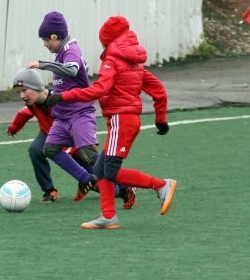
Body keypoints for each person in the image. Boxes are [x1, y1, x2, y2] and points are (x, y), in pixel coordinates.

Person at [47, 15, 177, 229]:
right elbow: (158, 90)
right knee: (100, 169)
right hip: (127, 120)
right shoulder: (135, 63)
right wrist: (160, 118)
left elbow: (99, 89)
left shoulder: (112, 61)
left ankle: (161, 185)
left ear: (107, 40)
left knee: (112, 172)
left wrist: (65, 96)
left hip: (120, 120)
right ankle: (108, 216)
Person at [7, 68, 137, 207]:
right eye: (18, 92)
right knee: (35, 149)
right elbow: (24, 113)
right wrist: (14, 127)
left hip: (74, 139)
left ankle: (125, 185)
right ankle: (49, 191)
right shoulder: (31, 103)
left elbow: (80, 114)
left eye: (24, 90)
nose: (21, 95)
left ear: (37, 87)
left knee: (108, 185)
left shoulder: (58, 98)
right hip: (50, 136)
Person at [25, 11, 103, 203]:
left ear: (54, 36)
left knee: (88, 155)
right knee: (49, 148)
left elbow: (72, 70)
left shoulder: (70, 49)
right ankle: (86, 179)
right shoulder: (62, 52)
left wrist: (43, 65)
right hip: (64, 116)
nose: (44, 44)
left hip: (79, 113)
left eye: (45, 40)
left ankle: (127, 184)